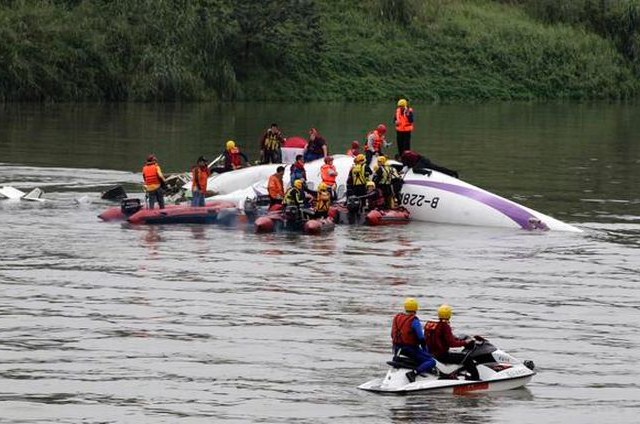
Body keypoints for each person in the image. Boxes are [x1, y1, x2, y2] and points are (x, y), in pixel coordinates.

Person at [424, 304, 480, 381]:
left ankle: (457, 373)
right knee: (467, 358)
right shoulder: (444, 325)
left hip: (431, 353)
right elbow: (452, 344)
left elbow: (442, 337)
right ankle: (475, 379)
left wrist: (458, 340)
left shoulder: (431, 324)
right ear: (449, 315)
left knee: (456, 354)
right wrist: (466, 342)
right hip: (442, 355)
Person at [391, 297, 437, 383]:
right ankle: (413, 373)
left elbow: (392, 334)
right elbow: (421, 338)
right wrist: (425, 350)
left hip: (397, 349)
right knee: (431, 361)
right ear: (416, 308)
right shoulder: (414, 320)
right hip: (409, 349)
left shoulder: (397, 318)